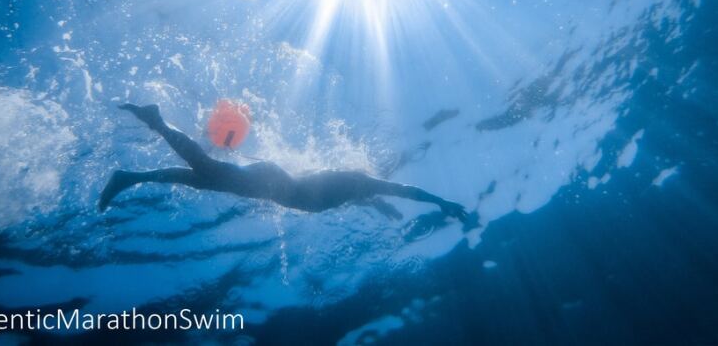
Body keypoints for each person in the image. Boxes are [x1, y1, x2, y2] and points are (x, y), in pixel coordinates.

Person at [99, 103, 469, 223]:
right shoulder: (360, 181)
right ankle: (156, 120)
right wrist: (441, 202)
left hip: (272, 183)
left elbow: (388, 197)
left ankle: (131, 177)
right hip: (275, 182)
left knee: (204, 177)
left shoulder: (352, 187)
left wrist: (388, 208)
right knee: (208, 172)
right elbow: (406, 190)